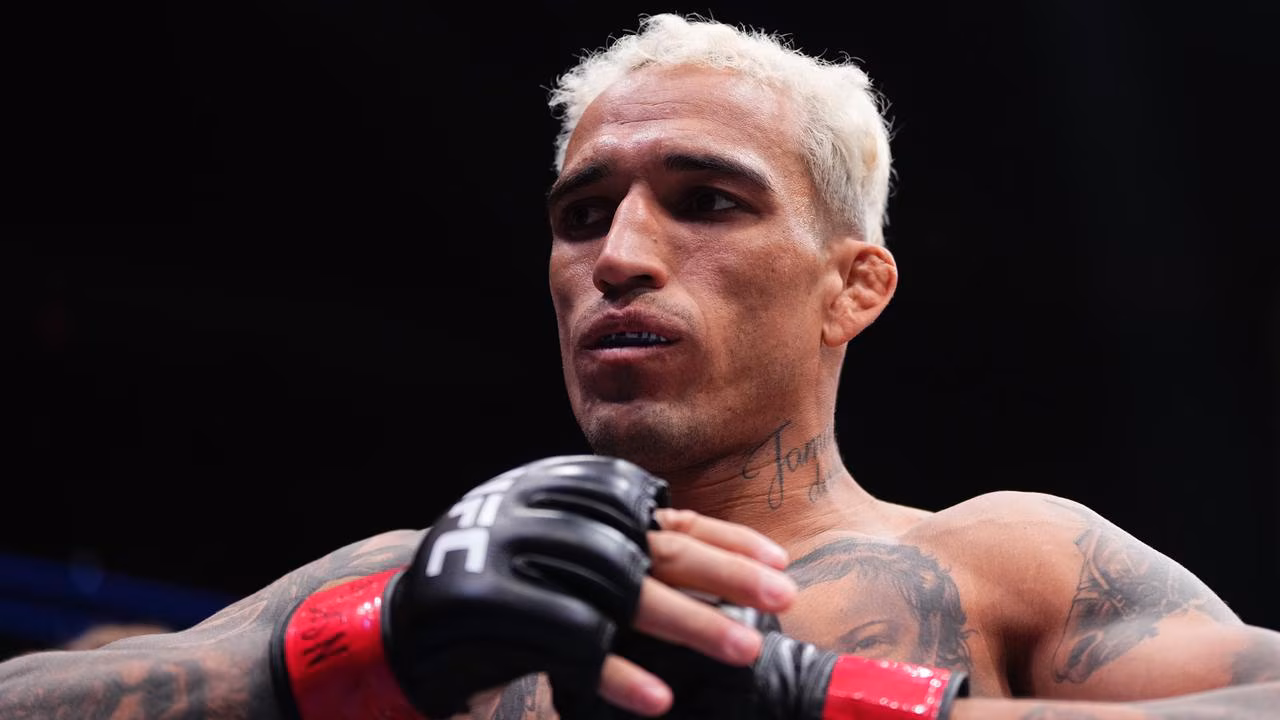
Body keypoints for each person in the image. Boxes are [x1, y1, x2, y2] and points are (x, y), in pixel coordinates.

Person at [1, 11, 1277, 720]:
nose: (616, 257)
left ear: (851, 286)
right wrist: (357, 647)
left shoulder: (999, 562)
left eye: (706, 200)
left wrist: (822, 702)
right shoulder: (407, 580)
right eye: (579, 214)